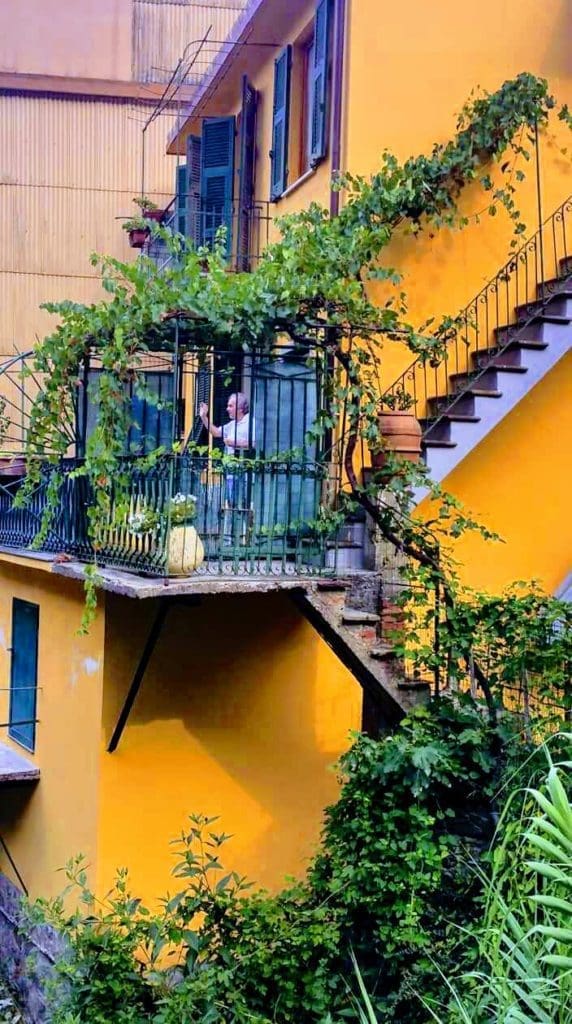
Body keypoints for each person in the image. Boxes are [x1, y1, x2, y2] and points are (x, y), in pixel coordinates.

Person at [199, 394, 254, 539]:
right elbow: (216, 432)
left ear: (240, 408)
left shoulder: (250, 422)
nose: (227, 409)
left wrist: (234, 442)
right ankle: (231, 538)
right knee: (231, 504)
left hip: (244, 471)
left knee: (245, 505)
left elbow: (253, 443)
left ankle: (245, 538)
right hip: (231, 472)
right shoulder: (232, 424)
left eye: (231, 406)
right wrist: (204, 417)